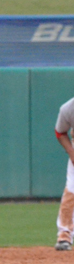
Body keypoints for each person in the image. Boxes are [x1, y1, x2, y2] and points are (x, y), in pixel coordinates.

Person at [54, 97, 74, 251]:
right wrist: (72, 153)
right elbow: (60, 132)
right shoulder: (68, 108)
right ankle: (64, 234)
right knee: (72, 190)